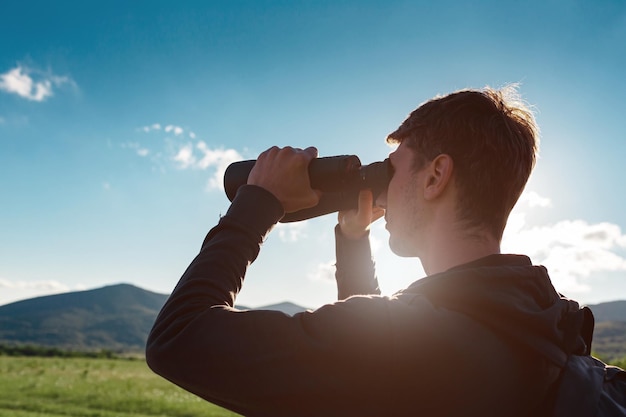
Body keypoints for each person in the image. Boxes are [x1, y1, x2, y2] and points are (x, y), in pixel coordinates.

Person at [146, 86, 587, 417]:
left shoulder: (418, 340)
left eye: (391, 171)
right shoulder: (540, 321)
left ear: (436, 177)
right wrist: (354, 240)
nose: (382, 188)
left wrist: (257, 203)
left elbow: (178, 338)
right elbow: (374, 371)